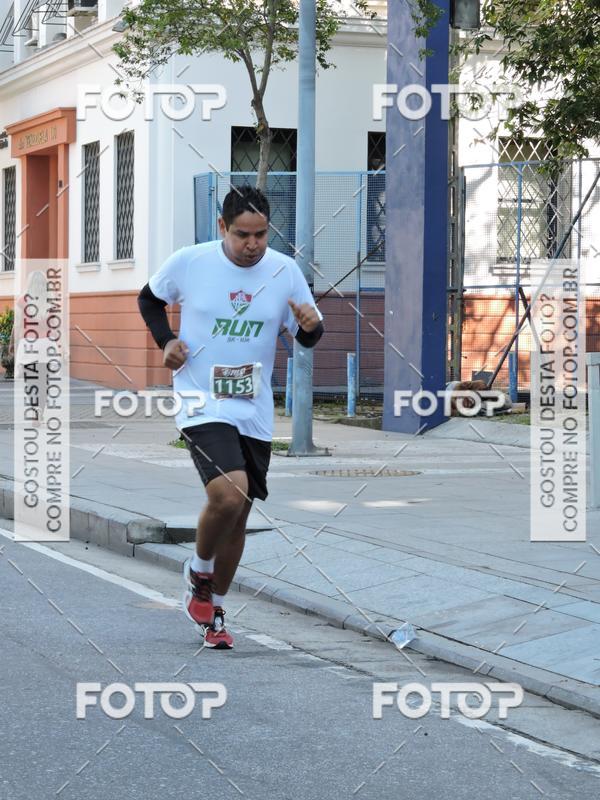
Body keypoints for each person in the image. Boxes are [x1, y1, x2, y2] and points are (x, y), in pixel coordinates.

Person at [137, 185, 324, 649]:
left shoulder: (284, 271)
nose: (253, 244)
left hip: (253, 405)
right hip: (201, 398)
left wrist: (310, 329)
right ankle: (199, 572)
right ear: (223, 227)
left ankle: (214, 608)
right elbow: (149, 299)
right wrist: (166, 342)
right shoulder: (191, 261)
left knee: (239, 514)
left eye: (261, 234)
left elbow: (308, 335)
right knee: (229, 490)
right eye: (243, 234)